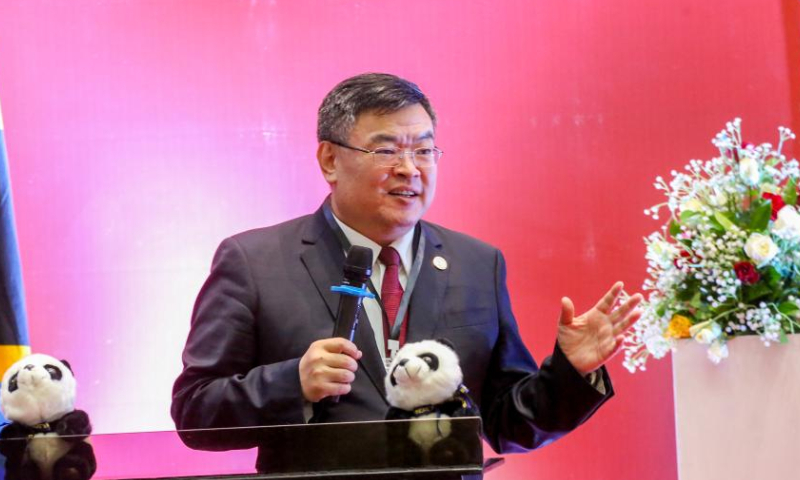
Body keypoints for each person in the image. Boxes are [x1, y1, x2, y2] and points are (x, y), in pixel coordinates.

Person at [171, 73, 642, 461]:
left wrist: (571, 372)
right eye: (387, 150)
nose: (409, 168)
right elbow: (195, 413)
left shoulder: (476, 263)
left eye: (423, 149)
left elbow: (506, 423)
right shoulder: (254, 262)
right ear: (330, 159)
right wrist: (291, 382)